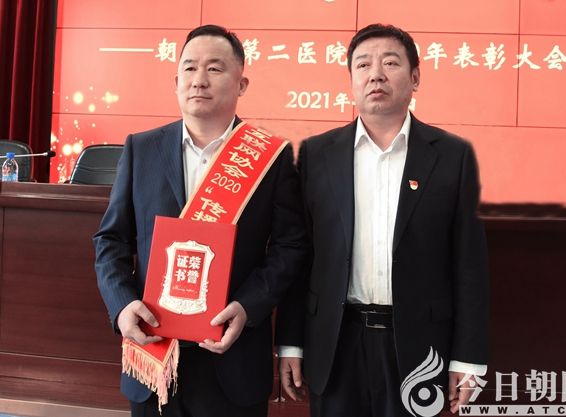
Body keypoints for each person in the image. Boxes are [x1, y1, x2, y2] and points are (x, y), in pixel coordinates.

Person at [94, 24, 307, 417]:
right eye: (190, 68)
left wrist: (248, 306)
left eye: (214, 68)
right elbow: (111, 240)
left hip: (234, 358)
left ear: (242, 84)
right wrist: (122, 306)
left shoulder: (271, 158)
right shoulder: (141, 148)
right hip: (153, 356)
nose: (199, 80)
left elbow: (290, 247)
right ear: (176, 81)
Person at [277, 24, 489, 417]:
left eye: (390, 63)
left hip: (420, 345)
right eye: (363, 65)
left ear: (415, 77)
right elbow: (301, 255)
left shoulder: (451, 156)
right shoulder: (316, 155)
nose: (375, 74)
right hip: (335, 343)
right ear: (351, 81)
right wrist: (291, 343)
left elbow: (469, 264)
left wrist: (469, 358)